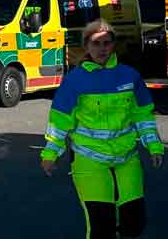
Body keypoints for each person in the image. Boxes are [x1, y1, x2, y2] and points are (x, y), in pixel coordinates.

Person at [41, 19, 164, 239]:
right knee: (102, 227)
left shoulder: (130, 76)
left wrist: (154, 145)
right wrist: (50, 152)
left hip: (127, 158)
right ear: (86, 46)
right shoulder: (74, 81)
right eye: (96, 43)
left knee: (134, 223)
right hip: (90, 159)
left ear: (113, 45)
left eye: (106, 43)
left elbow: (143, 116)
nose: (102, 49)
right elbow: (59, 121)